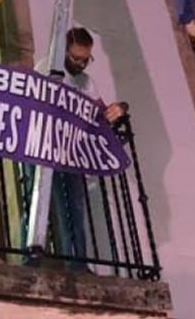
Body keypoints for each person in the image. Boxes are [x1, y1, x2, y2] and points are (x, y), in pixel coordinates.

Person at [51, 27, 127, 270]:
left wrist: (120, 109)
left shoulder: (87, 82)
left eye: (86, 60)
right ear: (64, 52)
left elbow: (101, 114)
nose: (81, 64)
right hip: (46, 152)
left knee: (74, 208)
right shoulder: (47, 69)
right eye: (76, 58)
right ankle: (34, 256)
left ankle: (78, 264)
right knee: (47, 206)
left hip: (72, 157)